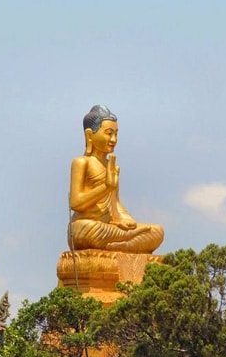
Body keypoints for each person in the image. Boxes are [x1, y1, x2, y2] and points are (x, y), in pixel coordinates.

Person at [68, 105, 164, 253]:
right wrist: (105, 187)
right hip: (88, 227)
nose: (114, 139)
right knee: (91, 229)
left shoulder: (112, 167)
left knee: (157, 232)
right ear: (89, 135)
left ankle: (122, 246)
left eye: (116, 134)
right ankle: (127, 242)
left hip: (111, 228)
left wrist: (126, 220)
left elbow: (115, 204)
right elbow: (75, 203)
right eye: (109, 133)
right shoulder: (82, 163)